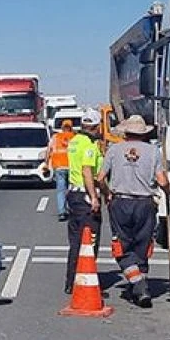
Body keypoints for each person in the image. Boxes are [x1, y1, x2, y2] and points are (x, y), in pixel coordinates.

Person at [98, 114, 170, 308]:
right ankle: (138, 285)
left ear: (126, 133)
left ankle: (138, 284)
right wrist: (169, 190)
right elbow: (162, 181)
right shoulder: (153, 151)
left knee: (122, 248)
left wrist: (107, 194)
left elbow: (100, 177)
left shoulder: (114, 150)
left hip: (121, 202)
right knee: (142, 246)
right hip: (145, 203)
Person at [64, 108, 105, 295]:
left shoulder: (74, 141)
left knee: (75, 240)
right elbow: (87, 171)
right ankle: (85, 282)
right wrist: (95, 197)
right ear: (96, 127)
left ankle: (71, 281)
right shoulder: (89, 145)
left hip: (73, 194)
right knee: (90, 241)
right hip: (86, 196)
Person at [46, 118, 76, 221]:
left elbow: (48, 151)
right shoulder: (75, 138)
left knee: (60, 190)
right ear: (71, 128)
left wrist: (46, 164)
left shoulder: (55, 137)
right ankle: (73, 210)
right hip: (72, 167)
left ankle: (62, 212)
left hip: (59, 167)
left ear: (62, 127)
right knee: (72, 189)